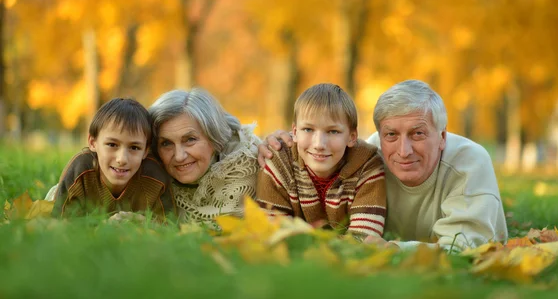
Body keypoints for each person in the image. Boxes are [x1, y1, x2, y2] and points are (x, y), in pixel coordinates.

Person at [259, 80, 508, 251]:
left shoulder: (470, 162)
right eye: (391, 135)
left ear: (442, 137)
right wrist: (281, 145)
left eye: (418, 134)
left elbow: (464, 247)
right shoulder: (370, 157)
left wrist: (389, 249)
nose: (404, 151)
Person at [257, 83, 386, 238]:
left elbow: (364, 240)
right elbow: (271, 235)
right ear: (295, 132)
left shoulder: (368, 166)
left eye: (333, 131)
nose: (319, 144)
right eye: (308, 129)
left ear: (352, 137)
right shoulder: (279, 161)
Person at [148, 88, 261, 225]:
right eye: (166, 143)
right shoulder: (151, 170)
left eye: (190, 139)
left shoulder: (244, 165)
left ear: (214, 137)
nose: (179, 156)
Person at [52, 98, 175, 221]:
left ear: (145, 151)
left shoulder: (155, 178)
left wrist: (142, 221)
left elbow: (170, 226)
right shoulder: (80, 171)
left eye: (134, 147)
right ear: (93, 142)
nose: (122, 159)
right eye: (112, 145)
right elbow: (58, 223)